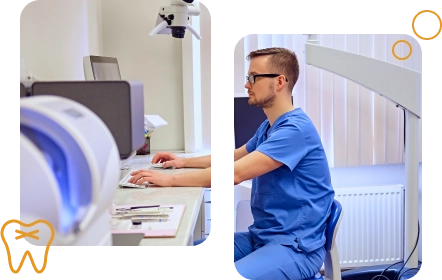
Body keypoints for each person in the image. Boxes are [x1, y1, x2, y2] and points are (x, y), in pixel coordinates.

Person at [231, 47, 335, 280]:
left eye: (253, 78)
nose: (247, 85)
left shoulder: (294, 130)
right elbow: (236, 156)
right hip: (263, 238)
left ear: (279, 81)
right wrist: (180, 163)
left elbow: (236, 173)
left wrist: (170, 181)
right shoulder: (269, 127)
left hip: (295, 249)